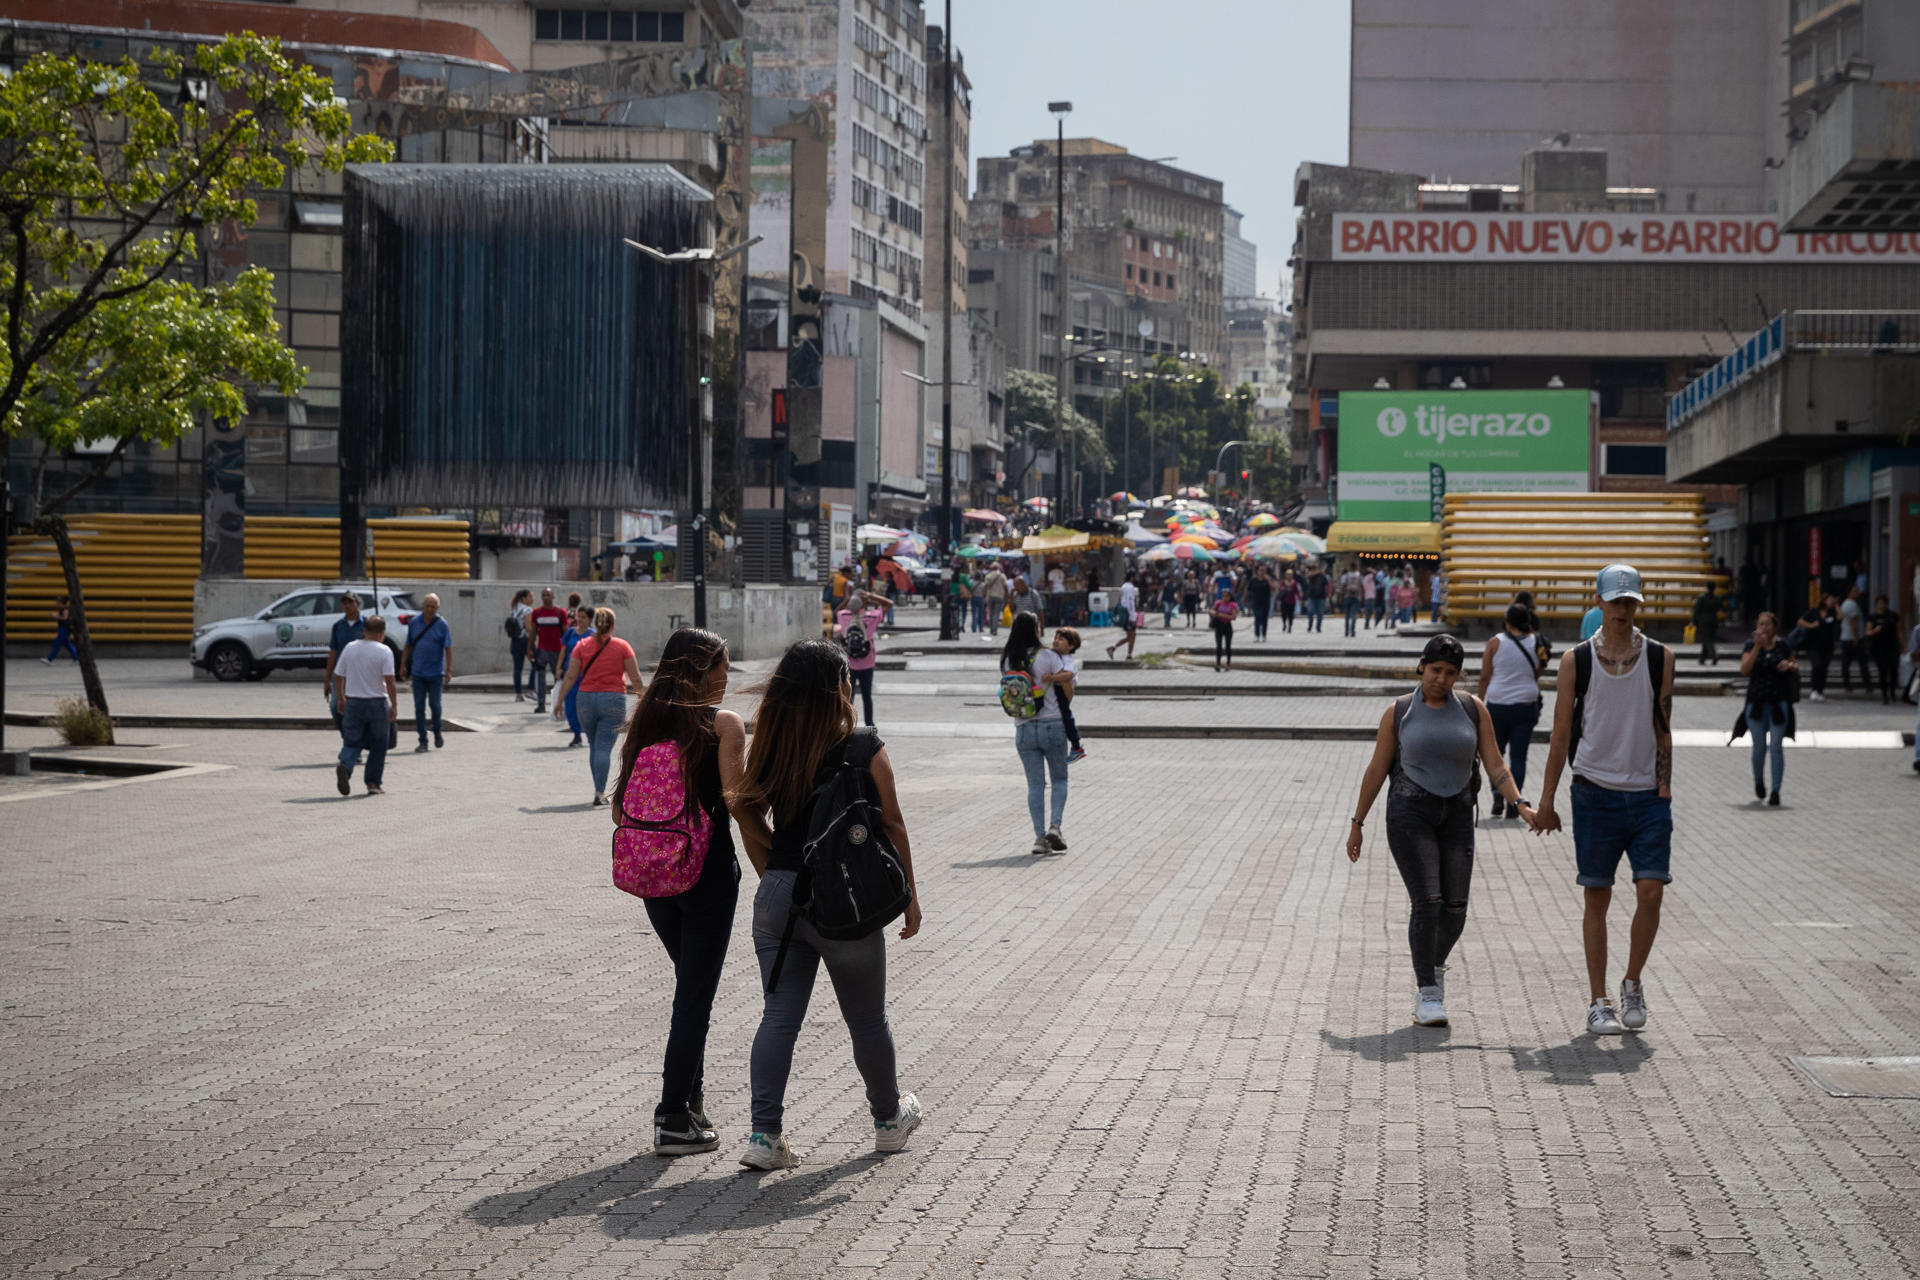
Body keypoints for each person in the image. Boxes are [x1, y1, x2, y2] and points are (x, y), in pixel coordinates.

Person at [725, 640, 923, 1170]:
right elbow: (893, 823)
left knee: (779, 1017)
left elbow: (745, 812)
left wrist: (778, 866)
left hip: (778, 901)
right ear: (839, 687)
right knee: (867, 1022)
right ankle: (888, 1121)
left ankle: (764, 1138)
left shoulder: (771, 743)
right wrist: (909, 896)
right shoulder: (864, 747)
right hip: (846, 903)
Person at [1347, 634, 1540, 1026]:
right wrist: (1357, 824)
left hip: (1457, 814)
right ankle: (1428, 994)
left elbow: (1496, 766)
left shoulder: (1473, 709)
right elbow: (1375, 770)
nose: (1441, 679)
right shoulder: (1399, 711)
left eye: (1450, 673)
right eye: (1435, 670)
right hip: (1409, 813)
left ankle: (1433, 969)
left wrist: (1520, 804)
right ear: (1422, 666)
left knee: (1455, 909)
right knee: (1429, 901)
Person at [612, 627, 745, 1158]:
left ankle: (691, 1108)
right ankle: (671, 1116)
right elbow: (740, 805)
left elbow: (621, 805)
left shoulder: (646, 724)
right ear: (700, 670)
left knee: (689, 991)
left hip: (655, 875)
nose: (728, 679)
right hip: (708, 875)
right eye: (722, 668)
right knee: (694, 998)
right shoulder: (723, 725)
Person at [1533, 564, 1676, 1037]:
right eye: (1614, 602)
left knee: (1651, 891)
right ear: (1598, 603)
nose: (1622, 609)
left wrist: (1665, 785)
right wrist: (1548, 798)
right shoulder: (1577, 660)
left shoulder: (1660, 658)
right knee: (1598, 895)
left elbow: (1663, 724)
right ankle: (1599, 1001)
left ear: (1638, 603)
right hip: (1594, 792)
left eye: (1629, 601)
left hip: (1648, 797)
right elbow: (1559, 734)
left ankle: (1632, 982)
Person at [551, 607, 645, 806]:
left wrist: (559, 701)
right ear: (612, 625)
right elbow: (635, 678)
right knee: (603, 747)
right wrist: (642, 701)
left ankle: (598, 790)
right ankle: (600, 792)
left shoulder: (582, 645)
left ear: (596, 624)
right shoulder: (622, 646)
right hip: (613, 700)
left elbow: (570, 676)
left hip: (585, 700)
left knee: (594, 746)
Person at [1001, 612, 1074, 856]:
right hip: (1052, 725)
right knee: (1060, 780)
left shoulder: (1008, 659)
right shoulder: (1049, 656)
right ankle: (1055, 826)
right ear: (1035, 629)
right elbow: (1068, 691)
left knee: (1035, 784)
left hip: (1023, 728)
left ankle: (1039, 838)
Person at [1477, 604, 1544, 820]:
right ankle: (1514, 802)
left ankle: (1498, 794)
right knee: (1519, 756)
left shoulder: (1495, 643)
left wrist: (1479, 699)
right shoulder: (1538, 642)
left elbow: (1485, 675)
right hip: (1526, 704)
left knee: (1494, 754)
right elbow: (1538, 671)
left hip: (1497, 704)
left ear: (1507, 621)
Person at [333, 615, 397, 797]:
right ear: (382, 633)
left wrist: (341, 698)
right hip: (377, 703)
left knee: (352, 740)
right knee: (378, 744)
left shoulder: (350, 648)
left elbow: (339, 675)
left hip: (353, 702)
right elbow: (390, 681)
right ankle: (373, 783)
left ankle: (345, 765)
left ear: (365, 630)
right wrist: (394, 706)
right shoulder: (384, 651)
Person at [1739, 612, 1797, 806]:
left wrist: (1788, 665)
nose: (1763, 628)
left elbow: (1794, 664)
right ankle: (1758, 781)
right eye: (1760, 624)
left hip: (1778, 704)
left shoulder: (1782, 646)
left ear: (1774, 628)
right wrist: (1757, 646)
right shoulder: (1750, 645)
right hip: (1756, 704)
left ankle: (1776, 791)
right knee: (1759, 748)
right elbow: (1744, 669)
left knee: (1776, 747)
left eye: (1767, 625)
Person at [401, 593, 451, 753]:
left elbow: (448, 648)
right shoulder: (414, 623)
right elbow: (408, 645)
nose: (430, 609)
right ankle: (423, 740)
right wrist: (402, 665)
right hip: (418, 673)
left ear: (437, 608)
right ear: (422, 605)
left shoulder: (442, 624)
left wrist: (448, 670)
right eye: (427, 605)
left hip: (436, 672)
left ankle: (437, 730)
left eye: (433, 606)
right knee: (419, 707)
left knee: (435, 705)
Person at [836, 589, 886, 728]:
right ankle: (870, 724)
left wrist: (849, 598)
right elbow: (889, 604)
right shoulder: (871, 618)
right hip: (867, 663)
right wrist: (871, 596)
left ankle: (848, 724)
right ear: (864, 605)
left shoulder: (844, 616)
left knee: (848, 697)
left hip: (849, 664)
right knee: (867, 696)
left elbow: (838, 610)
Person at [324, 591, 366, 731]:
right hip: (341, 674)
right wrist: (327, 680)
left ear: (358, 604)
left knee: (359, 708)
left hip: (361, 674)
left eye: (351, 602)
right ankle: (347, 736)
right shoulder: (338, 626)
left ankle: (357, 739)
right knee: (335, 706)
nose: (347, 606)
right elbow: (333, 653)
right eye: (345, 603)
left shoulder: (366, 624)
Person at [556, 605, 594, 747]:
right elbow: (563, 650)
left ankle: (590, 733)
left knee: (587, 707)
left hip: (586, 677)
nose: (580, 619)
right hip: (569, 674)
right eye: (579, 616)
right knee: (570, 706)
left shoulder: (593, 635)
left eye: (584, 617)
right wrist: (558, 667)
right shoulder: (571, 633)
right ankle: (576, 734)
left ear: (590, 619)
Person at [527, 588, 570, 713]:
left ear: (553, 597)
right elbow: (533, 632)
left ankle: (558, 704)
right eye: (544, 595)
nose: (546, 597)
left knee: (558, 679)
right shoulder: (537, 612)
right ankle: (541, 705)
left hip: (557, 651)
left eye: (548, 595)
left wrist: (566, 651)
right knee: (540, 679)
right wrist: (529, 649)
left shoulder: (560, 612)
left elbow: (565, 633)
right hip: (542, 650)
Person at [1053, 626, 1087, 763]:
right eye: (1055, 638)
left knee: (1066, 717)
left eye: (1060, 639)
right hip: (1058, 689)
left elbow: (1067, 675)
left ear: (1071, 646)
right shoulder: (1058, 656)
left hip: (1062, 690)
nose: (1056, 641)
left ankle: (1077, 746)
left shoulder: (1067, 659)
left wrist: (1051, 678)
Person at [1797, 594, 1838, 702]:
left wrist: (1837, 605)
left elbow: (1841, 617)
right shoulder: (1814, 612)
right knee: (1817, 666)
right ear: (1824, 601)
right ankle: (1814, 689)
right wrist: (1811, 625)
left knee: (1824, 669)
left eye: (1832, 600)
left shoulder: (1832, 613)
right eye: (1829, 600)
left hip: (1828, 646)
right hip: (1813, 645)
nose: (1830, 602)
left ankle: (1820, 690)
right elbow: (1800, 621)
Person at [1865, 595, 1902, 705]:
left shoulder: (1893, 616)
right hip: (1879, 648)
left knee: (1894, 670)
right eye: (1879, 603)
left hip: (1893, 646)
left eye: (1883, 603)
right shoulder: (1873, 617)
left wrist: (1903, 645)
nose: (1881, 606)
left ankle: (1892, 692)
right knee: (1883, 671)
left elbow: (1900, 630)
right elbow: (1868, 632)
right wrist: (1875, 630)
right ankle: (1885, 695)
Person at [1837, 585, 1870, 693]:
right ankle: (1867, 684)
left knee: (1846, 662)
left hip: (1846, 637)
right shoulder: (1852, 605)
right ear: (1849, 593)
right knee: (1862, 662)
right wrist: (1855, 637)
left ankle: (1847, 684)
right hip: (1853, 638)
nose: (1858, 593)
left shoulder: (1845, 604)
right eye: (1855, 591)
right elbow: (1853, 622)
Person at [506, 589, 534, 702]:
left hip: (514, 641)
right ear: (524, 598)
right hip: (525, 640)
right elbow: (528, 627)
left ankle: (518, 694)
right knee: (537, 663)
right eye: (531, 597)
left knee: (517, 668)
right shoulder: (527, 610)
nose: (533, 599)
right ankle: (531, 690)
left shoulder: (514, 609)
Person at [1107, 572, 1141, 661]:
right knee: (1131, 635)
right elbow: (1130, 603)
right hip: (1129, 615)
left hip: (1124, 613)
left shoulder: (1124, 587)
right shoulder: (1130, 588)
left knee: (1131, 636)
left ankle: (1128, 654)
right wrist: (1133, 617)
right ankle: (1117, 649)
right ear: (1132, 578)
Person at [1691, 580, 1723, 665]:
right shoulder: (1717, 598)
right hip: (1713, 620)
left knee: (1706, 639)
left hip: (1703, 620)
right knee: (1709, 638)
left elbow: (1697, 610)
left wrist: (1693, 621)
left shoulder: (1702, 597)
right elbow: (1720, 607)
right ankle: (1702, 658)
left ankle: (1713, 655)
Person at [42, 596, 79, 664]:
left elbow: (65, 618)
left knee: (57, 644)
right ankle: (76, 658)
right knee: (68, 645)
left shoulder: (65, 609)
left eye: (58, 602)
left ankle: (49, 659)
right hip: (62, 629)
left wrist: (56, 616)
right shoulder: (62, 609)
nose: (57, 604)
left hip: (64, 629)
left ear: (62, 603)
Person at [1210, 589, 1240, 671]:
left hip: (1227, 626)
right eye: (1223, 596)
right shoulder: (1218, 603)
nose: (1225, 598)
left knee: (1228, 646)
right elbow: (1211, 610)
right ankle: (1218, 663)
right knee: (1218, 646)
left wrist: (1221, 615)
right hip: (1219, 626)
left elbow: (1233, 617)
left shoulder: (1232, 605)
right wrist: (1214, 613)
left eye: (1227, 596)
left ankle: (1228, 663)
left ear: (1230, 597)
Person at [980, 562, 1009, 636]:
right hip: (999, 596)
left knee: (991, 613)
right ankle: (994, 630)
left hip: (990, 596)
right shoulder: (1002, 576)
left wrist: (984, 596)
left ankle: (991, 629)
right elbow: (1006, 587)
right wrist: (1007, 595)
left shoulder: (988, 576)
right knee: (997, 613)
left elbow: (985, 587)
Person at [1246, 566, 1274, 641]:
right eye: (1260, 570)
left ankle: (1264, 635)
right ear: (1257, 571)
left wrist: (1268, 580)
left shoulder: (1268, 579)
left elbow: (1273, 588)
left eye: (1264, 571)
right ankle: (1257, 635)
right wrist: (1245, 598)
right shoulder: (1253, 580)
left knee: (1264, 619)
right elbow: (1248, 589)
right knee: (1257, 618)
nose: (1262, 572)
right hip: (1256, 602)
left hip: (1265, 602)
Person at [1305, 565, 1329, 633]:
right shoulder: (1311, 575)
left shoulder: (1322, 576)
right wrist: (1319, 571)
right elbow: (1308, 576)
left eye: (1315, 569)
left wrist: (1327, 593)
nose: (1314, 570)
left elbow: (1327, 584)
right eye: (1313, 569)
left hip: (1321, 597)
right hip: (1311, 596)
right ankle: (1310, 626)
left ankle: (1318, 627)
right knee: (1310, 612)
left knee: (1320, 614)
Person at [1340, 565, 1363, 637]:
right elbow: (1362, 587)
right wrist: (1362, 597)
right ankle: (1352, 631)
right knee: (1354, 615)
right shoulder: (1359, 576)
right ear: (1356, 568)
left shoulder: (1345, 576)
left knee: (1347, 616)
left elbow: (1343, 587)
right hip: (1356, 597)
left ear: (1350, 568)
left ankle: (1346, 631)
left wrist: (1341, 597)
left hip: (1347, 597)